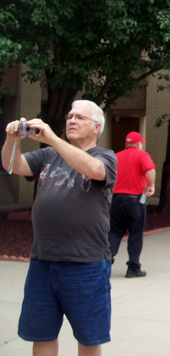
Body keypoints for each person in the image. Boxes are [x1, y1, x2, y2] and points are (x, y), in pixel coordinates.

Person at [1, 100, 117, 356]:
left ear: (96, 127)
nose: (71, 120)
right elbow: (13, 165)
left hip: (84, 263)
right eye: (70, 116)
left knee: (88, 337)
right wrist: (13, 139)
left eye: (80, 118)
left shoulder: (104, 156)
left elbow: (95, 170)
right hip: (43, 260)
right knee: (41, 333)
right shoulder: (48, 155)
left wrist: (52, 139)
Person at [108, 131, 156, 278]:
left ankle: (105, 262)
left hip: (116, 199)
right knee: (135, 233)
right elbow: (150, 169)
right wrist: (151, 185)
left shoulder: (116, 156)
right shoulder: (142, 155)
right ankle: (133, 267)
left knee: (115, 231)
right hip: (135, 200)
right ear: (138, 144)